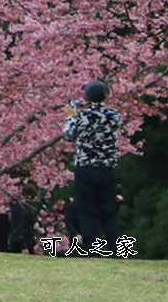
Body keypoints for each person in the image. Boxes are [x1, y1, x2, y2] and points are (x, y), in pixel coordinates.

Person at [61, 79, 122, 254]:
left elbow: (67, 135)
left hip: (86, 168)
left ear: (87, 97)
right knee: (109, 212)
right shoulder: (114, 115)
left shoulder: (81, 116)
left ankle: (90, 248)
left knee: (86, 210)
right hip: (107, 168)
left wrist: (71, 116)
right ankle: (115, 249)